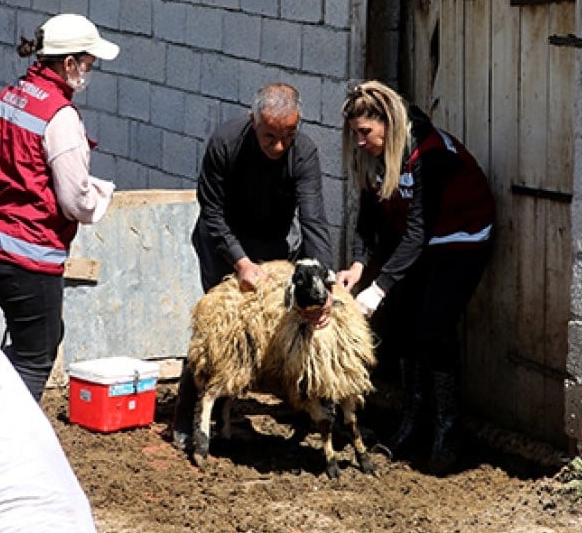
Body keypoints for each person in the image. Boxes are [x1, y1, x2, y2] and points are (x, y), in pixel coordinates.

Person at [336, 80, 495, 474]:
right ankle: (410, 422)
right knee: (401, 324)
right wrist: (358, 265)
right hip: (419, 238)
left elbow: (418, 230)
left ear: (387, 124)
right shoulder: (374, 157)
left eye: (365, 133)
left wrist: (379, 287)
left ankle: (447, 429)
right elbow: (368, 217)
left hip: (460, 234)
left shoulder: (429, 153)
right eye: (354, 133)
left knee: (433, 328)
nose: (359, 141)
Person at [171, 82, 335, 449]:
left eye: (287, 136)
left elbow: (314, 222)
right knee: (220, 326)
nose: (279, 146)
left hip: (271, 241)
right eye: (270, 136)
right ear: (253, 120)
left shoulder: (304, 154)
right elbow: (210, 211)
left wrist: (325, 286)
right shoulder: (226, 143)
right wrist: (240, 262)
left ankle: (267, 406)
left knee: (275, 323)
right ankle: (186, 416)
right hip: (222, 241)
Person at [0, 13, 118, 403]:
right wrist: (102, 195)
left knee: (40, 338)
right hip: (28, 254)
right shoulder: (60, 116)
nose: (89, 71)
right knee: (36, 357)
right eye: (88, 63)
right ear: (68, 63)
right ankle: (7, 442)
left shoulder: (12, 94)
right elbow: (75, 201)